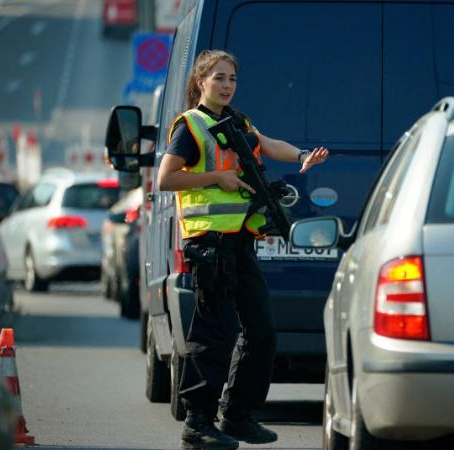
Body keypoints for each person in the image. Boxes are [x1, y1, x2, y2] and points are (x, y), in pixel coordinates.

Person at [157, 50, 329, 450]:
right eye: (219, 77)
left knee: (262, 331)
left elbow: (268, 145)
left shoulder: (239, 122)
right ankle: (198, 424)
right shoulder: (190, 125)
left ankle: (236, 415)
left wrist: (302, 156)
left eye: (232, 78)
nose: (227, 85)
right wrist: (217, 177)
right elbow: (166, 178)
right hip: (208, 243)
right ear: (201, 81)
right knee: (214, 334)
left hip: (240, 242)